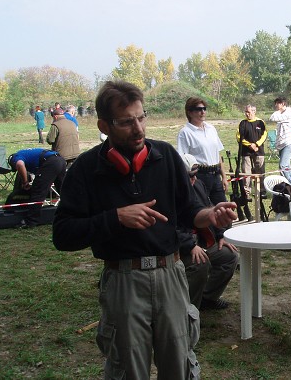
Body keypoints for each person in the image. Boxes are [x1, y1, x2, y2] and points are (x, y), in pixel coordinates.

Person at [53, 81, 237, 379]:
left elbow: (190, 212)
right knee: (129, 370)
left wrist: (211, 216)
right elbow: (62, 235)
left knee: (179, 365)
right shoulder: (86, 170)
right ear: (104, 125)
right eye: (126, 122)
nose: (138, 129)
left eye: (141, 118)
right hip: (123, 282)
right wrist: (115, 218)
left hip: (171, 275)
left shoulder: (165, 157)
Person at [176, 154, 239, 310]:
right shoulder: (169, 192)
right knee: (200, 264)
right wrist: (190, 246)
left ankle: (208, 298)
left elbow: (209, 211)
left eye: (195, 175)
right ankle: (188, 311)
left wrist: (220, 235)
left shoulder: (198, 185)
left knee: (230, 256)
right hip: (179, 247)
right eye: (189, 176)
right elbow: (169, 226)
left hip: (203, 241)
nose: (193, 179)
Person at [178, 97, 229, 205]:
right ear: (190, 112)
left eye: (204, 109)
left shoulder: (211, 129)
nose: (203, 112)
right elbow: (183, 159)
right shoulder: (185, 132)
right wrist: (191, 178)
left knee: (224, 209)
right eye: (199, 109)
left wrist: (224, 177)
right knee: (203, 209)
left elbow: (218, 154)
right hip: (199, 176)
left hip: (215, 174)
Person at [8, 148, 66, 228]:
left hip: (50, 162)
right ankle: (73, 213)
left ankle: (30, 221)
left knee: (38, 192)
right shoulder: (26, 153)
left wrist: (25, 182)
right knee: (64, 191)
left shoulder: (16, 156)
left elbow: (20, 165)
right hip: (60, 160)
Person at [237, 104, 267, 196]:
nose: (246, 114)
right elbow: (239, 137)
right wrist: (250, 145)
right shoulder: (242, 123)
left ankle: (261, 191)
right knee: (246, 172)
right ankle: (247, 192)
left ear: (254, 111)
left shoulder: (260, 122)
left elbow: (264, 134)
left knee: (260, 171)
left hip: (259, 151)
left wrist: (257, 144)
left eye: (248, 112)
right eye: (245, 112)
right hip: (246, 152)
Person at [268, 97, 291, 184]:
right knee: (287, 165)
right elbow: (271, 117)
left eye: (278, 103)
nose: (276, 105)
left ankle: (290, 184)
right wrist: (279, 110)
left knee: (282, 165)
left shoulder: (289, 112)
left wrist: (279, 111)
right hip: (281, 143)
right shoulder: (280, 113)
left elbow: (275, 118)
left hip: (289, 143)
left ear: (283, 103)